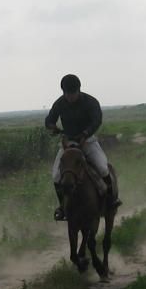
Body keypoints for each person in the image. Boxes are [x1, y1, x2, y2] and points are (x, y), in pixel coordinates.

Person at [44, 73, 118, 220]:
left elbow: (97, 120)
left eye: (72, 94)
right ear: (63, 92)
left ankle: (111, 202)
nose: (70, 97)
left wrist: (85, 133)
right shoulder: (60, 103)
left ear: (79, 90)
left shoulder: (90, 102)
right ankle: (62, 207)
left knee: (103, 168)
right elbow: (49, 119)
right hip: (69, 143)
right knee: (56, 175)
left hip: (88, 141)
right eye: (67, 94)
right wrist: (52, 127)